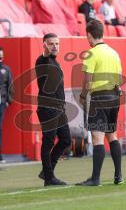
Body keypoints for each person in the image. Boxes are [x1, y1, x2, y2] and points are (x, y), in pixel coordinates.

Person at [76, 20, 123, 186]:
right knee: (112, 135)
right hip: (114, 97)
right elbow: (119, 77)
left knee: (97, 138)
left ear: (89, 35)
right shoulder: (114, 53)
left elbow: (87, 79)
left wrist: (83, 96)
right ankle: (118, 176)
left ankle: (95, 179)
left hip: (100, 98)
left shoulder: (91, 53)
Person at [35, 33, 71, 187]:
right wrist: (46, 51)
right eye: (51, 44)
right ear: (44, 45)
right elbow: (44, 55)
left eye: (57, 43)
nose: (55, 46)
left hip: (58, 108)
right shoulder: (42, 60)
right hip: (48, 107)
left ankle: (46, 171)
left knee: (66, 140)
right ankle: (49, 177)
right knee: (48, 141)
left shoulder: (55, 62)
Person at [0, 47, 13, 163]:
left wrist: (9, 100)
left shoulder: (6, 69)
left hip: (1, 103)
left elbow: (10, 85)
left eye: (1, 56)